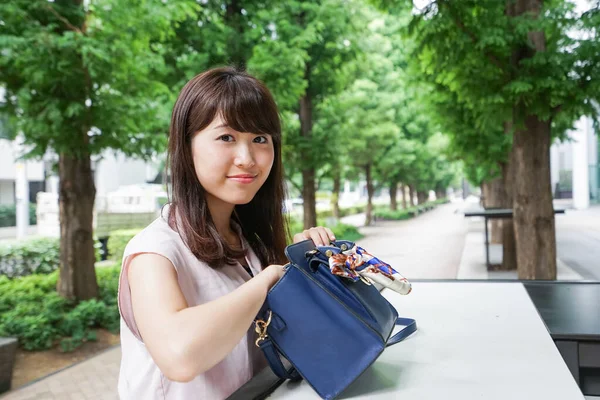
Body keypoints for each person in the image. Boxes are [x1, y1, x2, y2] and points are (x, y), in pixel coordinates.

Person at [117, 66, 336, 400]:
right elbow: (179, 357)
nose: (247, 158)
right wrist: (267, 281)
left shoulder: (249, 241)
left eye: (260, 139)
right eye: (226, 137)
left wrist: (303, 270)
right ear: (185, 147)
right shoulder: (154, 251)